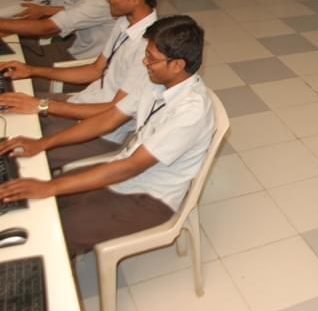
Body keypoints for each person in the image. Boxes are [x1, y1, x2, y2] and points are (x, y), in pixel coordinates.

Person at [0, 15, 214, 258]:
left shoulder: (191, 112)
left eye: (152, 59)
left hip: (150, 199)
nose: (144, 62)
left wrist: (51, 186)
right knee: (36, 206)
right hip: (123, 175)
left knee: (53, 235)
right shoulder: (157, 81)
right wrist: (42, 144)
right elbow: (108, 118)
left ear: (177, 65)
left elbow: (131, 167)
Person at [0, 0, 160, 169]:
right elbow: (95, 70)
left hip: (101, 132)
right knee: (8, 109)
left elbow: (112, 111)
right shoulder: (124, 21)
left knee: (13, 156)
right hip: (82, 103)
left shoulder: (149, 49)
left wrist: (43, 106)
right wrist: (31, 70)